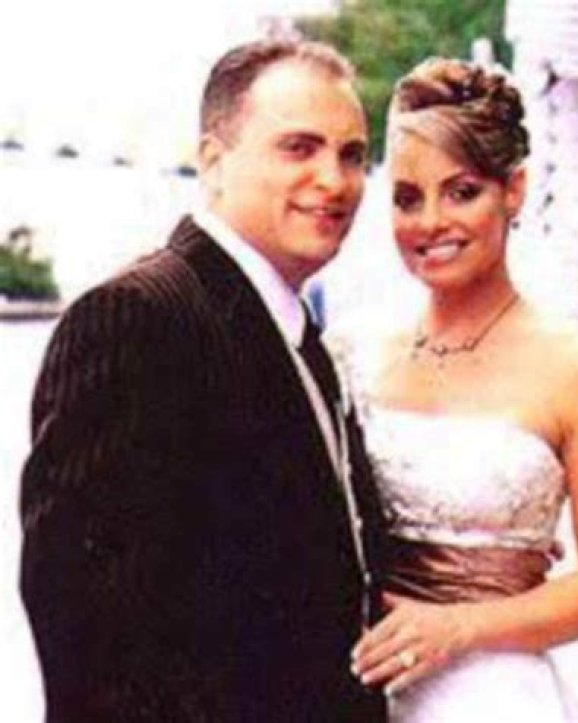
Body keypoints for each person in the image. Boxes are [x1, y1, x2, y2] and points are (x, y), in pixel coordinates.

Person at [19, 40, 387, 722]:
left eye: (351, 155)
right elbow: (88, 629)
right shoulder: (138, 317)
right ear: (214, 161)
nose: (334, 180)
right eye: (299, 148)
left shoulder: (298, 338)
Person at [336, 58, 578, 722]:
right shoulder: (354, 350)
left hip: (494, 694)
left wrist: (459, 627)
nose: (431, 222)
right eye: (408, 198)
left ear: (515, 190)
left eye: (462, 191)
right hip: (359, 684)